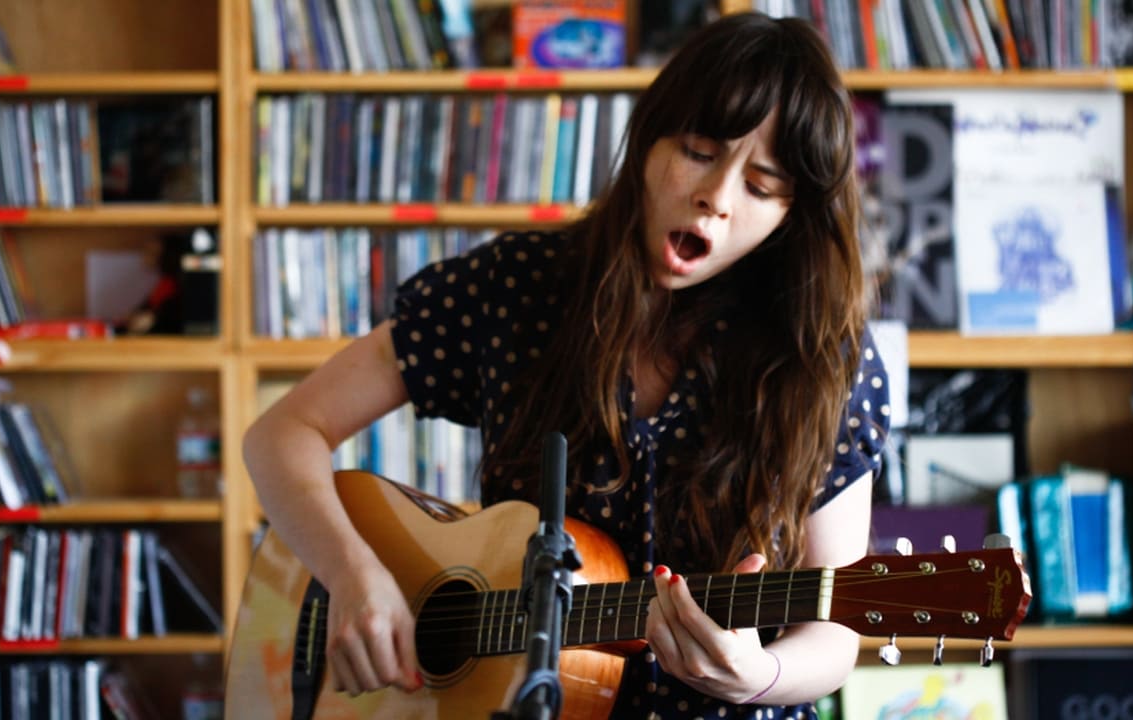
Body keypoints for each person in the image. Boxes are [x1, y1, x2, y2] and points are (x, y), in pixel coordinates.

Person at [242, 11, 889, 719]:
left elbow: (834, 628)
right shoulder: (515, 289)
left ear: (791, 216)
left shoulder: (825, 358)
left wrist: (756, 674)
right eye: (700, 151)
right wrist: (352, 574)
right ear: (648, 140)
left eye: (762, 187)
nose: (719, 197)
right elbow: (282, 433)